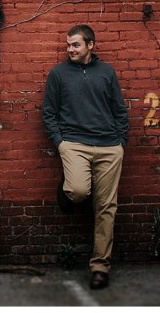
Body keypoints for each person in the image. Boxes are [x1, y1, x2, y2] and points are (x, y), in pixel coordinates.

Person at [42, 25, 128, 290]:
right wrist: (60, 143)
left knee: (105, 208)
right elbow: (49, 112)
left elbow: (119, 110)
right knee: (78, 191)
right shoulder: (58, 74)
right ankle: (67, 190)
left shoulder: (107, 72)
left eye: (75, 45)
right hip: (74, 144)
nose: (70, 49)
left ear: (91, 45)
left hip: (109, 147)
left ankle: (100, 267)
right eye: (68, 45)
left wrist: (121, 142)